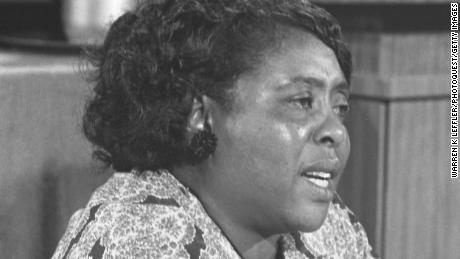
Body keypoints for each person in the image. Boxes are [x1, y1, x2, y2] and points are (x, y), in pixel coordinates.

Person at [52, 0, 378, 258]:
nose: (336, 132)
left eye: (340, 107)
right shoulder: (137, 243)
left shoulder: (330, 231)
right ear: (200, 115)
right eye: (302, 101)